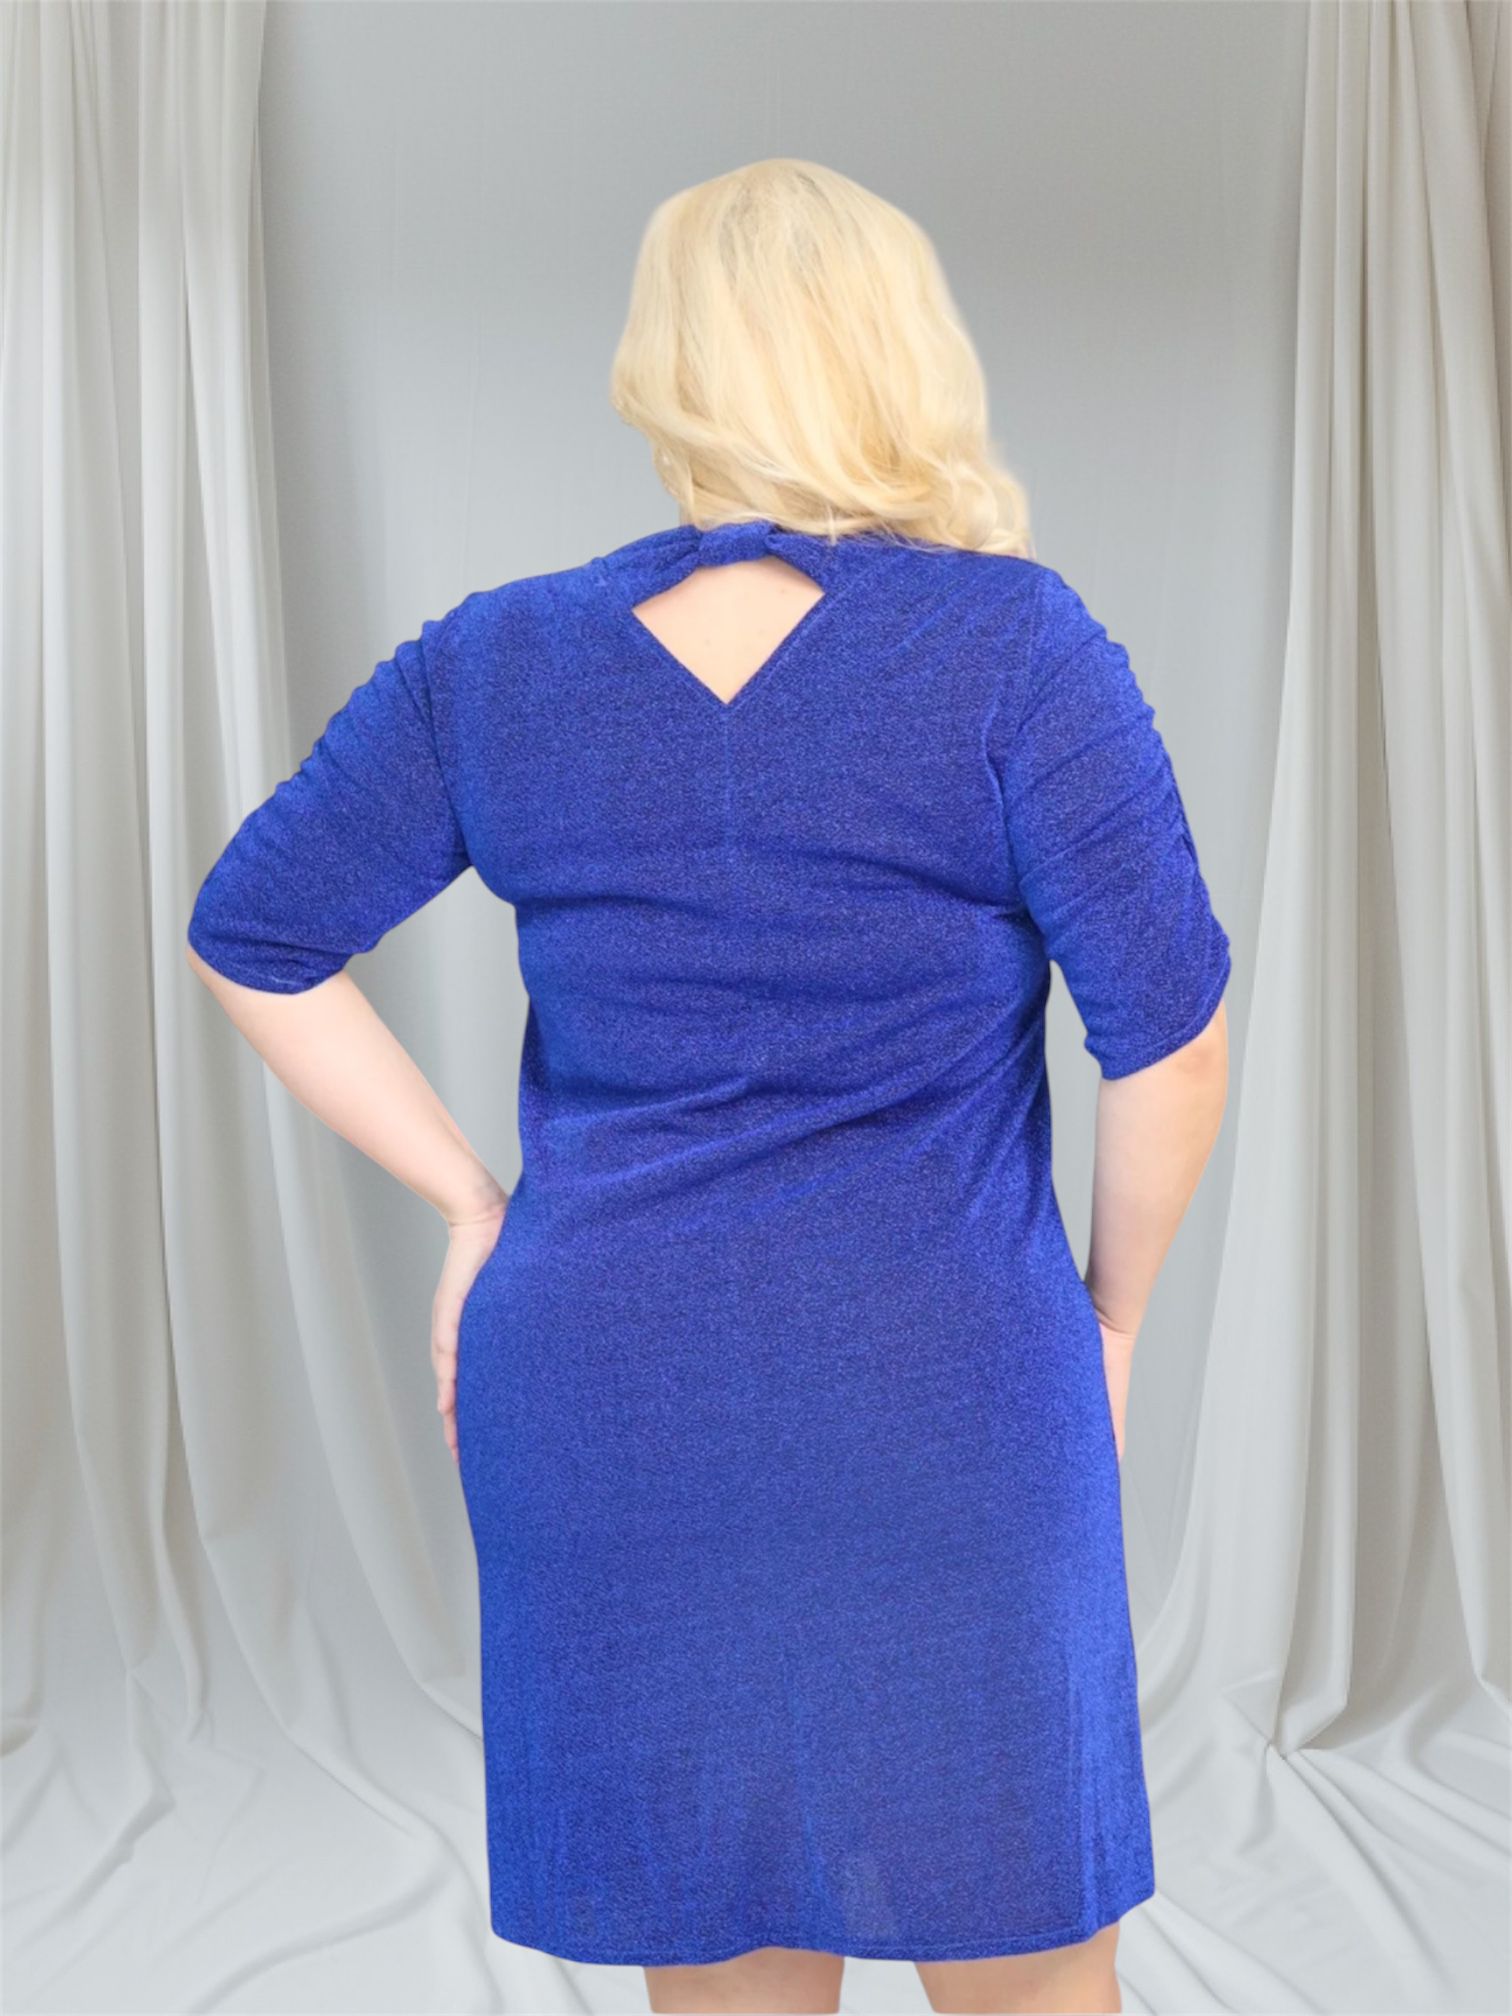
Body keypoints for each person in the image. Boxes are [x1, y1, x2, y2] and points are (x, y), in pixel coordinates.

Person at [186, 159, 1230, 2016]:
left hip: (607, 1392)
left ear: (660, 372)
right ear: (898, 354)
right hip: (943, 1385)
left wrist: (475, 1205)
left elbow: (251, 933)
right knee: (1027, 1965)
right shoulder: (1016, 646)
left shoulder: (495, 662)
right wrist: (1119, 1322)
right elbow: (1172, 1037)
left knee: (722, 1960)